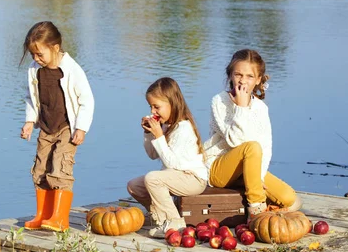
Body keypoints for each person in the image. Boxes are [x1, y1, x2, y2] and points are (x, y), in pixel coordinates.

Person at [203, 49, 301, 220]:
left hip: (249, 169)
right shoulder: (219, 101)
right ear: (230, 76)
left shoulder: (261, 109)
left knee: (289, 198)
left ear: (258, 80)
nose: (243, 80)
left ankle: (260, 199)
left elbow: (266, 147)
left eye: (249, 76)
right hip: (219, 169)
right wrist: (240, 107)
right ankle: (256, 210)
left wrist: (259, 176)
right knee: (251, 147)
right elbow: (235, 141)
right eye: (238, 74)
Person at [20, 21, 94, 232]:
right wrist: (29, 121)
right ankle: (43, 215)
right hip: (46, 128)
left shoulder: (71, 70)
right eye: (32, 55)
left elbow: (86, 100)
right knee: (40, 170)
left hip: (66, 128)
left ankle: (60, 218)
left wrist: (81, 128)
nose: (36, 58)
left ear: (55, 48)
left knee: (60, 168)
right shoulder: (35, 71)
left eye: (39, 54)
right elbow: (31, 98)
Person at [127, 77, 208, 238]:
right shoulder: (166, 125)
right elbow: (152, 154)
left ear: (172, 103)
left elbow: (172, 164)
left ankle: (175, 223)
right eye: (151, 107)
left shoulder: (183, 128)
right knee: (134, 185)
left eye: (157, 107)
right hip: (176, 176)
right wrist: (149, 134)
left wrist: (158, 136)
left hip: (192, 178)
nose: (153, 112)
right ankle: (159, 218)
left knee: (153, 178)